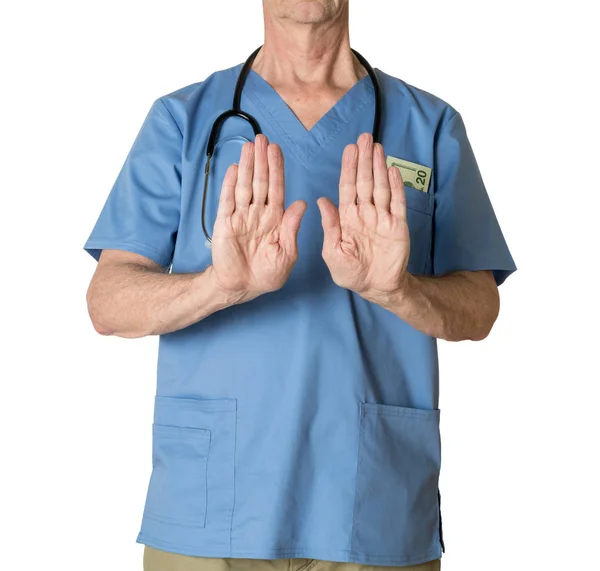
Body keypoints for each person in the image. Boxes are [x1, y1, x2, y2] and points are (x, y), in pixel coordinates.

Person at [84, 1, 517, 570]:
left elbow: (480, 307)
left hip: (372, 511)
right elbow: (107, 302)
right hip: (215, 511)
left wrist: (395, 290)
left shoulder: (429, 124)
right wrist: (220, 286)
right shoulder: (182, 120)